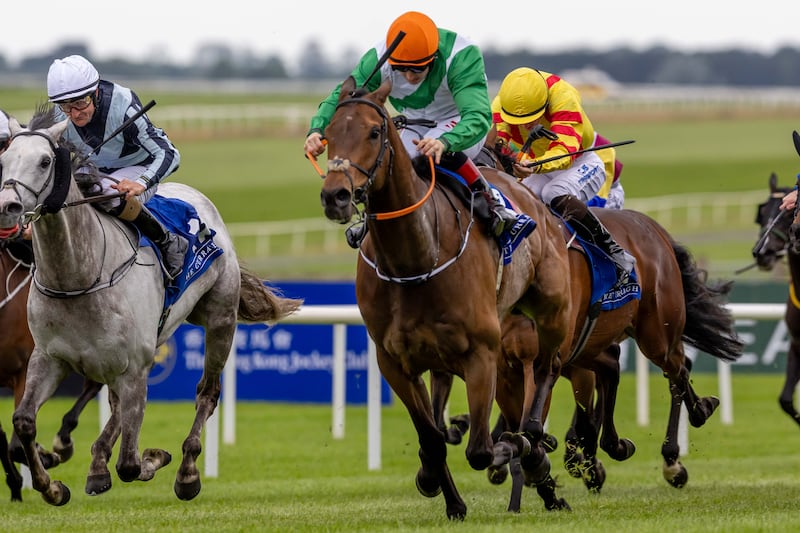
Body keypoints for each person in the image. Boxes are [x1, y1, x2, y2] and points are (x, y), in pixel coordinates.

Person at [304, 11, 522, 237]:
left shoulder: (461, 56)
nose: (409, 76)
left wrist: (446, 142)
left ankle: (493, 204)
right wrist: (316, 130)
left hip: (458, 121)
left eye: (417, 69)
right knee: (391, 164)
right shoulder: (378, 59)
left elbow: (477, 116)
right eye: (400, 69)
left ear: (434, 58)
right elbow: (341, 98)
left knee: (431, 154)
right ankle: (372, 222)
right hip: (414, 121)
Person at [46, 54, 188, 279]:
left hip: (138, 166)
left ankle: (168, 241)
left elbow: (170, 152)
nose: (74, 114)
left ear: (96, 93)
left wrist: (141, 183)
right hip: (96, 168)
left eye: (81, 103)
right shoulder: (59, 116)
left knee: (107, 194)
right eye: (66, 107)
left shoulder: (123, 107)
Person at [492, 66, 635, 279]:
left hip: (580, 162)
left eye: (532, 118)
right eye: (519, 122)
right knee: (522, 195)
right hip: (539, 166)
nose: (526, 125)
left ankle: (613, 252)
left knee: (553, 192)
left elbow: (564, 150)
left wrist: (535, 165)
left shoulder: (563, 95)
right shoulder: (501, 105)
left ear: (545, 103)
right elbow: (500, 144)